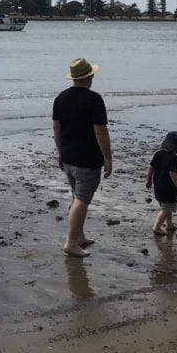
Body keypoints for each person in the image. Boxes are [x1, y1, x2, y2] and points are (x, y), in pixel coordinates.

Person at [52, 57, 113, 257]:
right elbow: (100, 132)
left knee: (76, 196)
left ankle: (78, 237)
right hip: (87, 159)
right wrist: (108, 157)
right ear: (90, 76)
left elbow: (57, 128)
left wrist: (60, 152)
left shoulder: (61, 98)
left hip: (68, 157)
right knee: (81, 199)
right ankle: (70, 242)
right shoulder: (94, 99)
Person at [146, 131, 177, 235]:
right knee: (166, 208)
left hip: (158, 185)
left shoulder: (158, 154)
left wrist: (149, 180)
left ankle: (169, 225)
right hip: (168, 188)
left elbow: (151, 167)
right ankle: (157, 227)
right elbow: (173, 173)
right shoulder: (173, 158)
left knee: (167, 207)